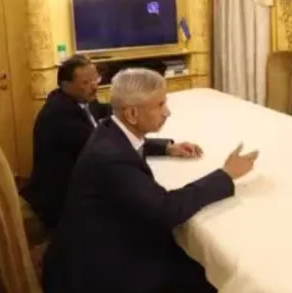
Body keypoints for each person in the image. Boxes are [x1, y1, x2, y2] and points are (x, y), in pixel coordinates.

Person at [43, 68, 259, 293]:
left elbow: (132, 143)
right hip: (99, 269)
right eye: (159, 105)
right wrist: (225, 175)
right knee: (204, 274)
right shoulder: (113, 160)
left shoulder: (109, 129)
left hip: (94, 242)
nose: (167, 112)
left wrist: (167, 147)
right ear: (132, 114)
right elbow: (166, 210)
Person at [20, 54, 111, 231]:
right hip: (63, 200)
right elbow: (105, 147)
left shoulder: (80, 98)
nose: (94, 86)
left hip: (81, 183)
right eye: (86, 82)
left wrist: (126, 107)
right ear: (66, 85)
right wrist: (159, 146)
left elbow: (101, 111)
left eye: (95, 79)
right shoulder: (60, 115)